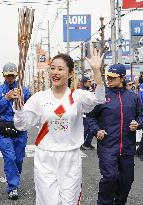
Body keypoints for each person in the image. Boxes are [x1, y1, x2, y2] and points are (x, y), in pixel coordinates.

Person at [12, 48, 105, 205]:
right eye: (52, 68)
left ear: (69, 74)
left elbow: (99, 98)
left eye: (60, 69)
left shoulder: (77, 96)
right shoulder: (39, 98)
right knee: (49, 202)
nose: (55, 72)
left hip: (70, 157)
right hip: (45, 157)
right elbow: (21, 124)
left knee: (69, 201)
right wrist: (19, 107)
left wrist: (96, 70)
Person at [86, 64, 143, 205]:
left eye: (113, 78)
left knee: (127, 180)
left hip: (127, 147)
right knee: (110, 177)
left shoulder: (133, 97)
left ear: (122, 78)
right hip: (108, 146)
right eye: (108, 77)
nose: (109, 80)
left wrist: (138, 123)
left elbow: (141, 115)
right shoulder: (101, 96)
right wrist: (96, 130)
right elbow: (90, 117)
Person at [0, 62, 31, 200]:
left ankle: (14, 179)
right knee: (10, 158)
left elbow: (31, 110)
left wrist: (22, 101)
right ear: (4, 75)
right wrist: (5, 99)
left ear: (16, 75)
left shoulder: (24, 91)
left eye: (12, 75)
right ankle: (13, 187)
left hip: (20, 132)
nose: (10, 78)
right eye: (8, 76)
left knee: (18, 160)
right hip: (4, 132)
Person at [80, 76, 95, 150]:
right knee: (85, 129)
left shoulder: (87, 90)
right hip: (84, 114)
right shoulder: (83, 91)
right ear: (84, 82)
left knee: (90, 129)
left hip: (89, 113)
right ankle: (80, 144)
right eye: (89, 81)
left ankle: (87, 143)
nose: (90, 83)